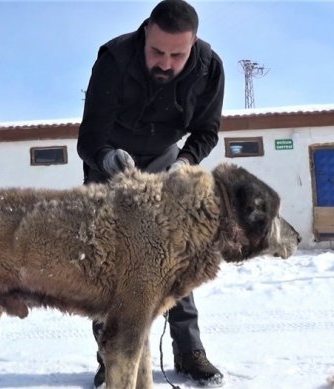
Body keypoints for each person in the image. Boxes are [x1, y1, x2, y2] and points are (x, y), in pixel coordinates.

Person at [76, 0, 225, 387]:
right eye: (157, 51)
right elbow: (89, 137)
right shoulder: (113, 58)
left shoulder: (210, 67)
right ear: (145, 34)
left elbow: (207, 130)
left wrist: (185, 162)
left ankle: (189, 350)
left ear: (192, 45)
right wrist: (106, 158)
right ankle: (110, 357)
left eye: (177, 55)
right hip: (111, 160)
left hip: (166, 159)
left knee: (177, 256)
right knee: (106, 263)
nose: (165, 63)